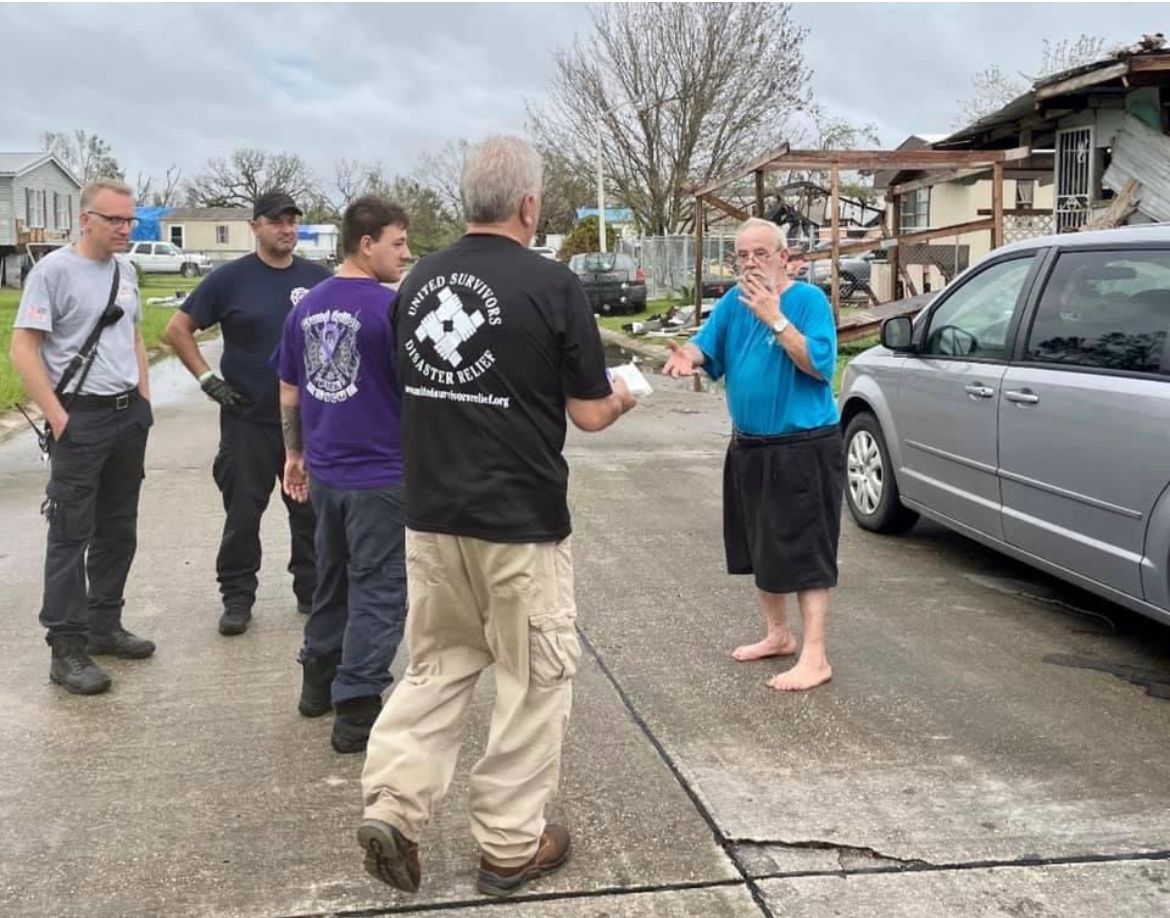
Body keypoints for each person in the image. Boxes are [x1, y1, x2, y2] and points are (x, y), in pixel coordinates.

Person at [357, 136, 637, 899]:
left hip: (432, 514)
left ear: (466, 203)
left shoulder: (415, 284)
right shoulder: (553, 287)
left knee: (438, 665)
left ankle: (393, 804)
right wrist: (627, 392)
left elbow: (411, 387)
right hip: (518, 522)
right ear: (528, 204)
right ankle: (512, 846)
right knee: (532, 678)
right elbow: (589, 413)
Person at [663, 216, 842, 693]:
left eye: (759, 253)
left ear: (784, 257)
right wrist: (689, 357)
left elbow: (819, 364)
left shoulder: (808, 301)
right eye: (741, 255)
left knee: (807, 551)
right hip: (751, 445)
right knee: (759, 544)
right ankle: (778, 635)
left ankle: (815, 655)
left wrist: (775, 318)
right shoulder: (732, 303)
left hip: (803, 445)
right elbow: (707, 345)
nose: (749, 263)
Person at [272, 196, 412, 754]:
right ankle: (356, 706)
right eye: (398, 243)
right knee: (379, 589)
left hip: (327, 472)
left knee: (332, 580)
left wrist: (295, 454)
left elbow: (289, 388)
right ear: (367, 243)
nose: (405, 254)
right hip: (381, 475)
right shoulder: (390, 308)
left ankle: (317, 681)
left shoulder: (306, 307)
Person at [9, 179, 155, 695]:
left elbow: (134, 335)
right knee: (71, 533)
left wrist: (144, 399)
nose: (123, 228)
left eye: (129, 220)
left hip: (125, 417)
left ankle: (104, 624)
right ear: (85, 219)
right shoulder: (53, 272)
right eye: (114, 219)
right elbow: (24, 349)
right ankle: (66, 648)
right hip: (81, 419)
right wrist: (58, 416)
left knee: (118, 527)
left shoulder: (126, 271)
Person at [165, 191, 331, 636]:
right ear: (255, 226)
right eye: (276, 221)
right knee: (243, 513)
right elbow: (177, 330)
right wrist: (207, 380)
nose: (287, 229)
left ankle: (311, 591)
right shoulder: (230, 280)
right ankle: (237, 597)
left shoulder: (318, 279)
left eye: (292, 221)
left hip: (305, 423)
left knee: (309, 512)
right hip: (248, 419)